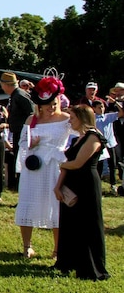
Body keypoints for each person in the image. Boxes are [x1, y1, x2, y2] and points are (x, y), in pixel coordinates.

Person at [14, 75, 70, 259]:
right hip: (34, 167)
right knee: (28, 203)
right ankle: (26, 245)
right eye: (48, 104)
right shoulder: (32, 119)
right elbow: (22, 142)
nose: (52, 107)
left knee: (56, 205)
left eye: (55, 103)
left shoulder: (66, 119)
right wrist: (31, 144)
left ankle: (58, 249)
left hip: (55, 166)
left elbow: (80, 135)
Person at [53, 105, 110, 280]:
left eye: (73, 117)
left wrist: (60, 163)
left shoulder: (94, 137)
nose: (70, 120)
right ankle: (69, 261)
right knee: (71, 223)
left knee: (88, 223)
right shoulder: (77, 138)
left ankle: (91, 266)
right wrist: (58, 185)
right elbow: (69, 163)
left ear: (83, 118)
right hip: (71, 184)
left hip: (86, 184)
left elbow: (78, 163)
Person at [0, 72, 34, 190]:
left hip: (23, 134)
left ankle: (23, 190)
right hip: (18, 133)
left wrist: (27, 131)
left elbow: (32, 113)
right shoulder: (16, 95)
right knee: (19, 163)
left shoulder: (19, 95)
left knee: (21, 164)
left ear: (6, 85)